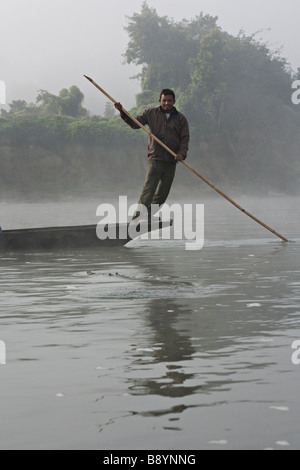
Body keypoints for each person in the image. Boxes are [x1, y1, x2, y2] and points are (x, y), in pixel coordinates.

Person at [115, 89, 189, 220]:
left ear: (174, 102)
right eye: (164, 100)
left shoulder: (180, 119)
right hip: (156, 158)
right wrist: (122, 111)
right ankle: (137, 218)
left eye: (169, 100)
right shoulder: (150, 113)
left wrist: (182, 154)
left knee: (163, 193)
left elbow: (184, 139)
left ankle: (147, 216)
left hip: (171, 160)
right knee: (149, 189)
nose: (167, 103)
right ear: (159, 101)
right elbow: (134, 123)